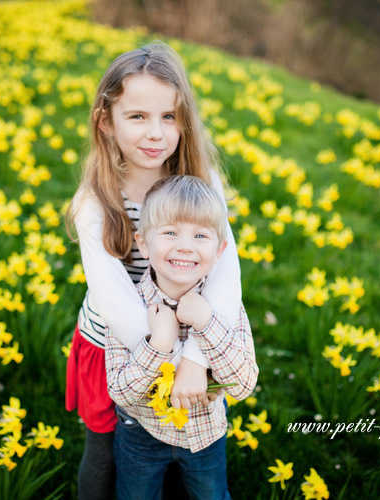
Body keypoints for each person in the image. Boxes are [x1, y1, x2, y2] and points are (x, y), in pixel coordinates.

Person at [65, 43, 242, 499]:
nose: (155, 133)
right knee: (108, 461)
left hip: (193, 335)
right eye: (137, 116)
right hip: (117, 347)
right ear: (106, 121)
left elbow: (226, 273)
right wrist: (162, 353)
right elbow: (115, 303)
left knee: (188, 452)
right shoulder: (95, 200)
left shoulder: (201, 182)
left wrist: (195, 360)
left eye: (168, 117)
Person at [105, 175, 258, 500]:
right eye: (171, 232)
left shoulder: (224, 306)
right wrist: (158, 344)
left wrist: (205, 322)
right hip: (141, 435)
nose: (185, 245)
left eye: (200, 235)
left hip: (205, 436)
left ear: (219, 251)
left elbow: (243, 385)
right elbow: (120, 392)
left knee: (212, 495)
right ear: (144, 244)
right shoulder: (128, 305)